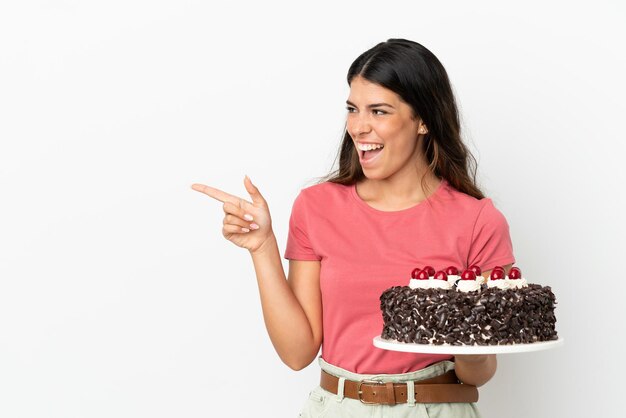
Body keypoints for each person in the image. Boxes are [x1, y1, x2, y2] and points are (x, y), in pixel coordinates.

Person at [192, 38, 515, 417]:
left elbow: (479, 372)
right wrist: (262, 247)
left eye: (379, 111)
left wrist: (469, 338)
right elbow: (297, 354)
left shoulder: (477, 220)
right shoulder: (317, 206)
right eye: (353, 109)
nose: (359, 127)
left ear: (423, 119)